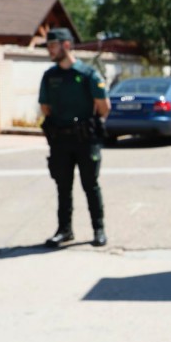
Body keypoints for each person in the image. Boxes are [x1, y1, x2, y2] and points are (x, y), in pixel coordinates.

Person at [39, 28, 110, 248]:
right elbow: (45, 108)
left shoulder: (87, 74)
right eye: (49, 46)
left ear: (67, 45)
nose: (50, 50)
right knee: (63, 186)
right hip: (60, 139)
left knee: (90, 184)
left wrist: (87, 125)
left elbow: (103, 107)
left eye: (53, 45)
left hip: (85, 139)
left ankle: (98, 229)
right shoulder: (50, 76)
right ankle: (64, 230)